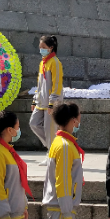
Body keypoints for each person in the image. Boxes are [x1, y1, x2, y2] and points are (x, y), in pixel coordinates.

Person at [42, 102, 83, 219]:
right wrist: (67, 215)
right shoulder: (65, 146)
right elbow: (63, 183)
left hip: (59, 207)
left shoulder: (60, 142)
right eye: (79, 116)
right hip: (60, 209)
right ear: (73, 120)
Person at [30, 35, 64, 166]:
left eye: (43, 47)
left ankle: (52, 155)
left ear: (51, 48)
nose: (41, 50)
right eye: (40, 47)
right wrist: (34, 100)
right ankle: (52, 149)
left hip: (50, 103)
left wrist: (53, 103)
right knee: (34, 124)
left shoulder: (55, 62)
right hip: (41, 102)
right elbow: (39, 84)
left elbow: (57, 84)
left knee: (50, 130)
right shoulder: (43, 62)